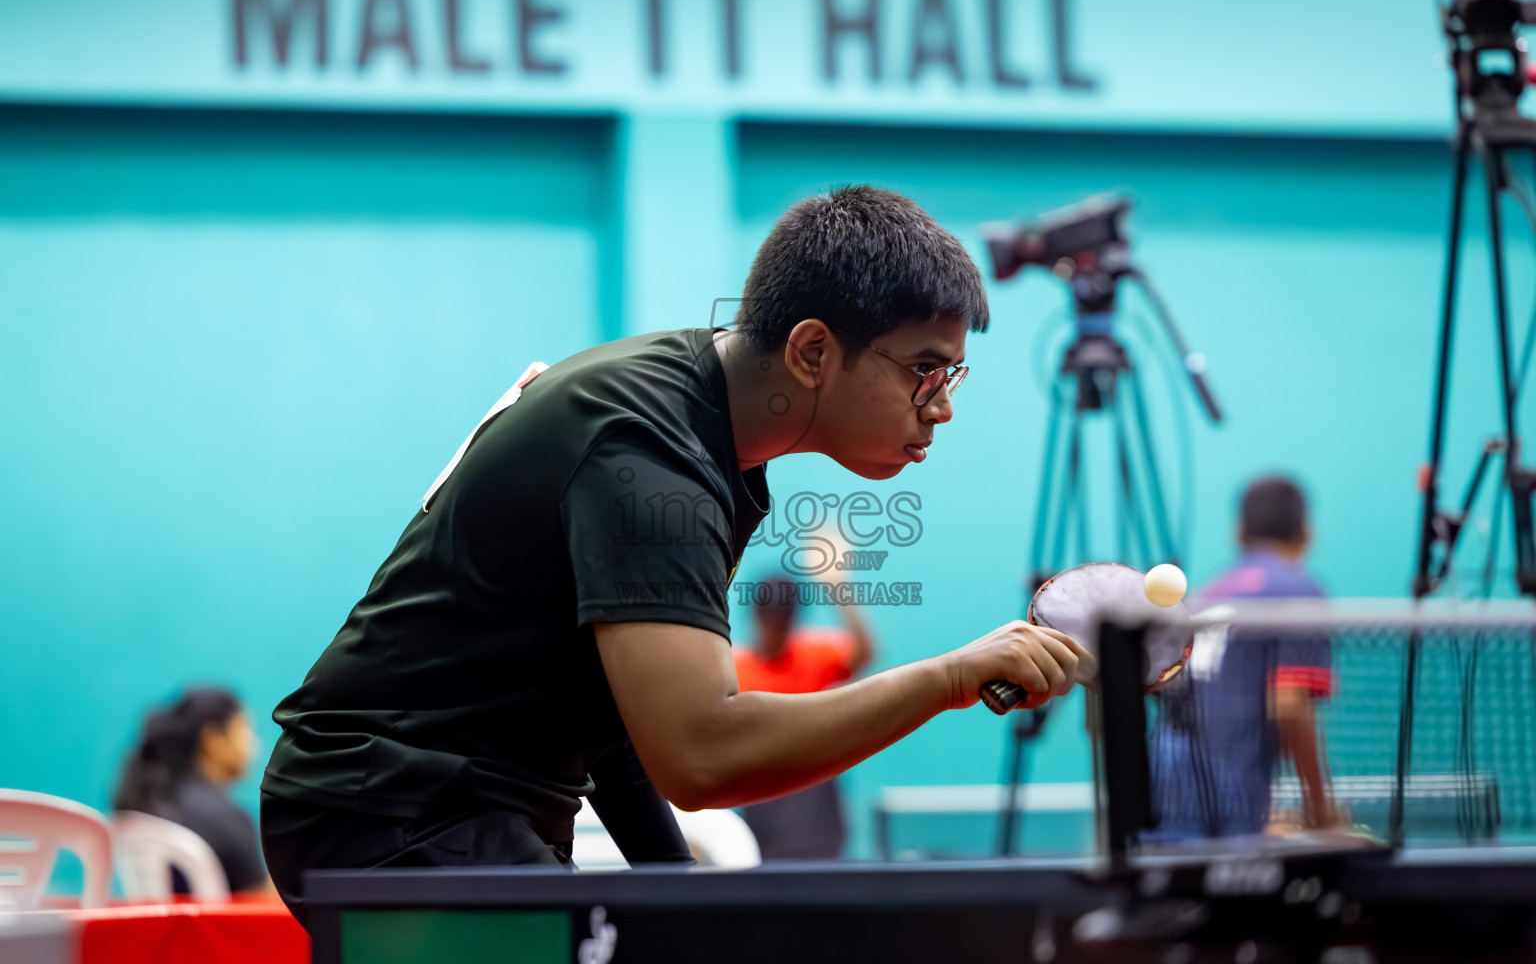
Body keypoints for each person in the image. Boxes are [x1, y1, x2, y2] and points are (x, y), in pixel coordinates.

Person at [260, 185, 1088, 926]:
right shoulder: (646, 453)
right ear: (811, 352)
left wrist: (678, 891)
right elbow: (702, 753)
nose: (941, 407)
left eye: (952, 374)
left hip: (453, 811)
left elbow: (619, 712)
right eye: (924, 370)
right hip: (392, 813)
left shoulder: (706, 433)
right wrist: (950, 679)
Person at [1146, 476, 1338, 840]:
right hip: (1228, 793)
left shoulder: (1208, 592)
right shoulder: (1300, 592)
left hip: (1157, 780)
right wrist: (1318, 807)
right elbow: (1290, 703)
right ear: (1306, 534)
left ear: (1239, 533)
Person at [733, 567, 875, 859]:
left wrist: (837, 585)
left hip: (819, 809)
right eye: (772, 622)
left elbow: (864, 653)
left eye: (784, 622)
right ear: (757, 617)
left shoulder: (813, 656)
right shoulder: (737, 671)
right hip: (765, 807)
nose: (777, 632)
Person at [115, 688, 273, 895]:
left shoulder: (152, 803)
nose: (255, 745)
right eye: (244, 730)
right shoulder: (225, 818)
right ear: (214, 739)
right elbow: (260, 901)